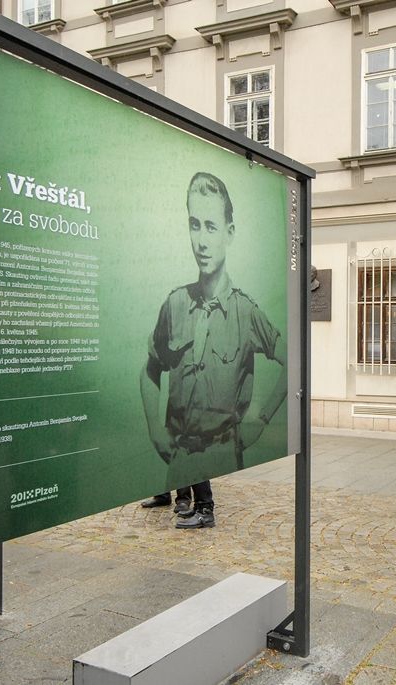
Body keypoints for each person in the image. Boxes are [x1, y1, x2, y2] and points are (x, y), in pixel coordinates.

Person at [141, 171, 287, 530]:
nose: (201, 241)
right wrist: (155, 430)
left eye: (211, 226)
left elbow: (292, 362)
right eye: (194, 225)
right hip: (178, 453)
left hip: (221, 446)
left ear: (229, 232)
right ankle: (182, 499)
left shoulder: (245, 312)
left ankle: (204, 508)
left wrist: (262, 419)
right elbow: (150, 370)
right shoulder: (175, 304)